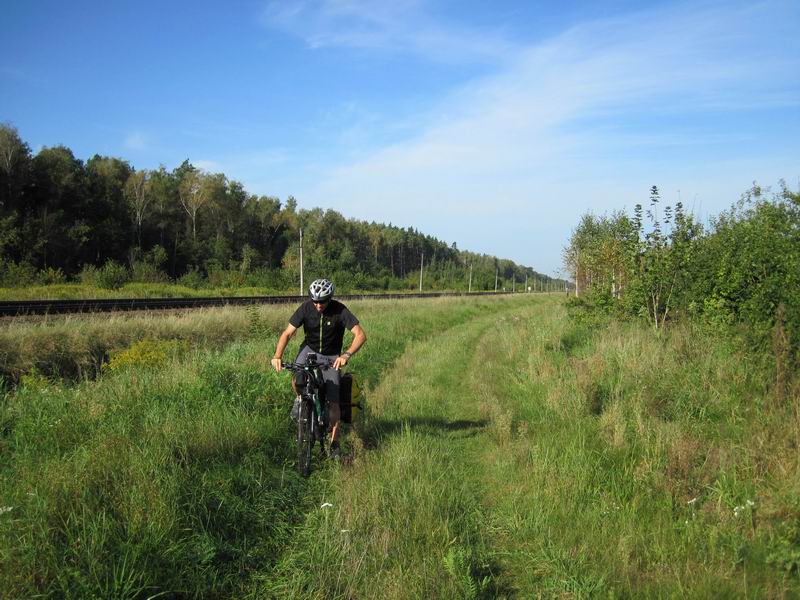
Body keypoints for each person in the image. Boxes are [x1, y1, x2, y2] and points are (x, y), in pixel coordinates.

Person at [271, 278, 366, 458]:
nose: (318, 305)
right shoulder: (306, 308)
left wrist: (346, 355)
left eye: (322, 301)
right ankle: (301, 400)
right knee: (297, 375)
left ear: (329, 298)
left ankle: (334, 443)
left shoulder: (340, 310)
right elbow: (287, 333)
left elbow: (360, 335)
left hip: (331, 356)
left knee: (334, 399)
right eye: (314, 300)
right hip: (310, 349)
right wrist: (277, 356)